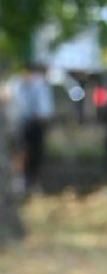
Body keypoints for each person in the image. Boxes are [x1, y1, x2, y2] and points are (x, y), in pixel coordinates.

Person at [8, 61, 55, 195]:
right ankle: (21, 181)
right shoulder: (18, 83)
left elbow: (45, 110)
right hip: (22, 123)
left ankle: (31, 180)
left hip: (35, 124)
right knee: (22, 151)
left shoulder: (40, 85)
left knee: (35, 153)